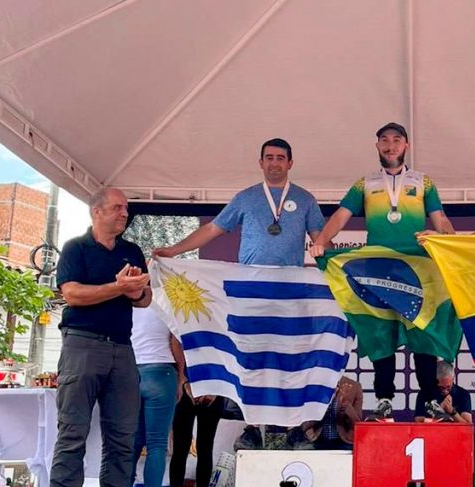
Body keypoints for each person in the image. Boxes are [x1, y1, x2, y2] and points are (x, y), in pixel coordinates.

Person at [154, 138, 325, 447]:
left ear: (290, 163)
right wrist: (175, 251)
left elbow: (320, 240)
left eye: (280, 157)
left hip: (288, 291)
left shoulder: (305, 199)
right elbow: (212, 230)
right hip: (249, 289)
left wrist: (338, 266)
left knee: (288, 356)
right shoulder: (246, 198)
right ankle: (252, 425)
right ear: (260, 163)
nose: (274, 162)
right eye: (269, 157)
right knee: (249, 355)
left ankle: (288, 427)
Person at [308, 122, 456, 421]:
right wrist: (320, 241)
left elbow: (440, 219)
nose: (391, 145)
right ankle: (385, 400)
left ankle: (430, 400)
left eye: (396, 140)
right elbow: (341, 216)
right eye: (385, 140)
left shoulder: (423, 182)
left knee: (423, 332)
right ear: (377, 146)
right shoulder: (364, 184)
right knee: (381, 333)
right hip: (378, 268)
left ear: (406, 146)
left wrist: (451, 243)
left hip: (416, 267)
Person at [47, 187, 151, 487]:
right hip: (81, 344)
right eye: (118, 207)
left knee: (123, 436)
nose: (124, 213)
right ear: (97, 211)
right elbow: (72, 294)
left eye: (126, 208)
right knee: (72, 433)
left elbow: (144, 298)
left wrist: (136, 290)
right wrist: (118, 287)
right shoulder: (76, 248)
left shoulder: (131, 251)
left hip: (122, 348)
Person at [129, 307, 185, 487]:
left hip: (131, 371)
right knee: (157, 444)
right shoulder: (166, 303)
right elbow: (175, 342)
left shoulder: (126, 303)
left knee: (132, 443)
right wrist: (181, 376)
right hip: (161, 371)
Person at [169, 383, 223, 487]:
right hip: (186, 389)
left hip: (213, 389)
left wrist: (216, 389)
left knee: (206, 447)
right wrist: (183, 384)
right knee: (180, 447)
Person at [288, 376, 364, 450]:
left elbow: (357, 422)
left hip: (344, 441)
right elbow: (304, 423)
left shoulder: (354, 386)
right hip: (316, 440)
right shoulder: (313, 385)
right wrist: (323, 405)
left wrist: (347, 406)